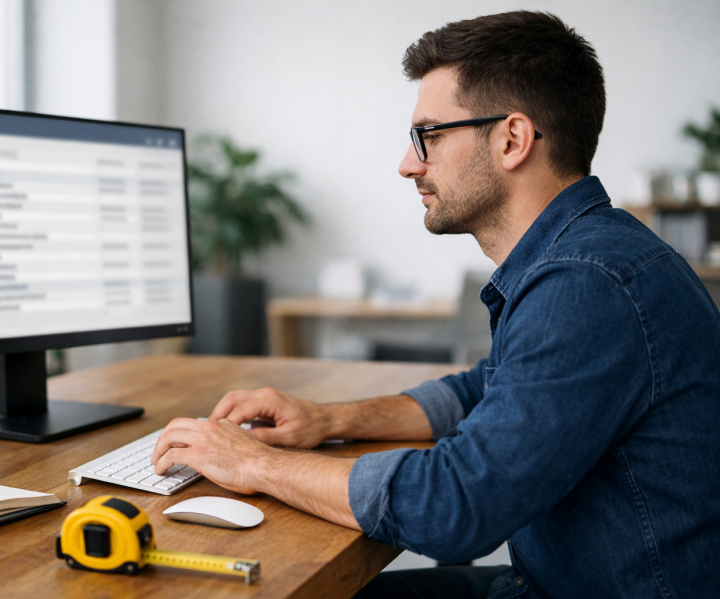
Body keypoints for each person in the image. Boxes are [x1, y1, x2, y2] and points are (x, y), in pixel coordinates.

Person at [151, 11, 720, 599]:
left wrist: (255, 465)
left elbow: (456, 507)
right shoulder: (591, 254)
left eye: (430, 135)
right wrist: (331, 420)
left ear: (512, 139)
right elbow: (486, 389)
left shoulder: (585, 283)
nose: (408, 163)